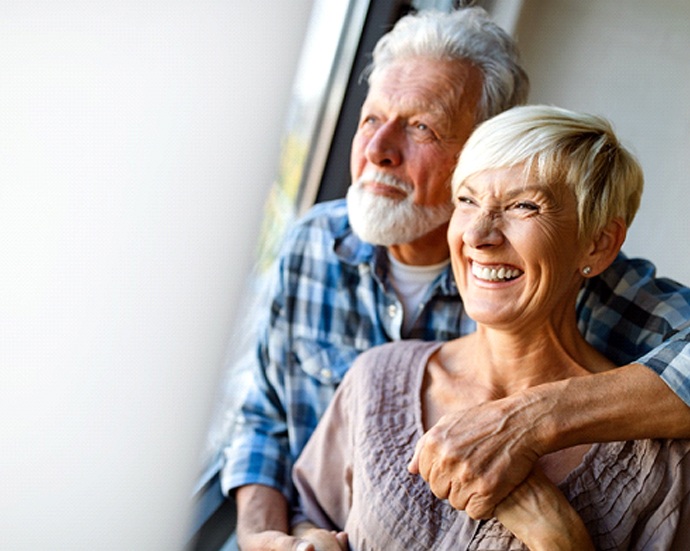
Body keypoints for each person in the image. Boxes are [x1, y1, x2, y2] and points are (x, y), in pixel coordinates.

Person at [221, 8, 690, 550]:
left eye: (421, 126)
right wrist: (267, 537)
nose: (378, 150)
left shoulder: (590, 285)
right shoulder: (311, 246)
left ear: (485, 144)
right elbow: (264, 419)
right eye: (372, 119)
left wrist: (529, 422)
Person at [291, 105, 690, 550]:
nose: (479, 235)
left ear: (598, 243)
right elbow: (308, 515)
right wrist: (311, 541)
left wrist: (559, 538)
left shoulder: (666, 462)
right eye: (467, 199)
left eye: (524, 206)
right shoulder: (376, 377)